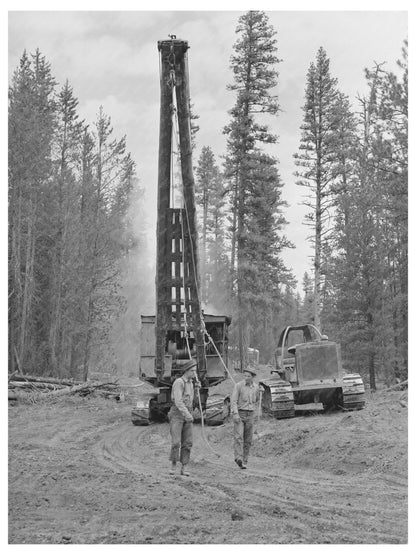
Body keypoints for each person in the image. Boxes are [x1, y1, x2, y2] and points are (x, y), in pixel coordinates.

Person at [168, 359, 200, 476]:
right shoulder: (179, 382)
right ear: (186, 371)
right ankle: (173, 466)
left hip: (188, 413)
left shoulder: (192, 383)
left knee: (187, 442)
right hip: (177, 414)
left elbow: (194, 402)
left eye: (195, 371)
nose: (194, 373)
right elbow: (178, 401)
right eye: (192, 371)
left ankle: (184, 468)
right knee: (176, 442)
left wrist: (197, 390)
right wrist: (187, 415)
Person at [231, 367, 260, 469]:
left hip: (250, 415)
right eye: (245, 376)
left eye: (248, 376)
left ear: (253, 377)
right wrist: (235, 414)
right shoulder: (238, 386)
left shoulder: (256, 387)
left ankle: (244, 461)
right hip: (240, 414)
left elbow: (257, 400)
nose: (246, 378)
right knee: (239, 437)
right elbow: (233, 401)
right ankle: (238, 458)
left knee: (248, 440)